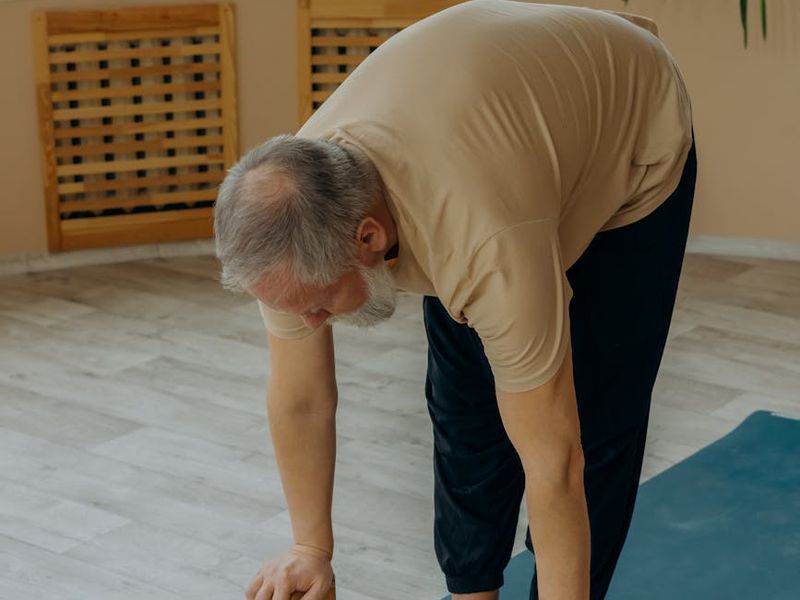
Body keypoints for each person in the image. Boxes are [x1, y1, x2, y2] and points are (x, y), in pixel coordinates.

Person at [214, 1, 696, 599]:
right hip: (496, 144)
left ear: (368, 237)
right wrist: (312, 550)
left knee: (594, 419)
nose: (308, 323)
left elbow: (556, 461)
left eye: (315, 306)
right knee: (464, 409)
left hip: (629, 126)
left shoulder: (482, 240)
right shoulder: (287, 215)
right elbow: (302, 401)